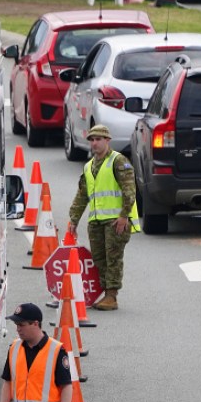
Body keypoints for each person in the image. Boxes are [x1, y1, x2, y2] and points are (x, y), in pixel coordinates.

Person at [66, 125, 140, 311]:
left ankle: (111, 296)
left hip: (116, 221)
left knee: (113, 258)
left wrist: (124, 216)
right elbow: (82, 195)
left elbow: (129, 190)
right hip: (96, 221)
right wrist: (74, 219)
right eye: (92, 139)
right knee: (99, 259)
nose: (94, 143)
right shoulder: (89, 166)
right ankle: (105, 292)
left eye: (99, 139)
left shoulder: (118, 161)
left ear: (108, 141)